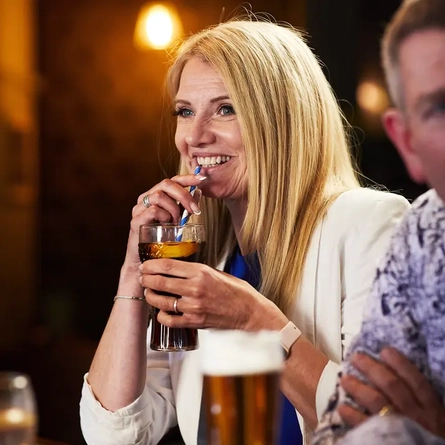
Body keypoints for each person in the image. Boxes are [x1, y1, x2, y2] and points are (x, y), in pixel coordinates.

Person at [79, 18, 409, 445]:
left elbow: (385, 426)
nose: (194, 137)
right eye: (185, 111)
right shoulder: (206, 259)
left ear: (282, 120)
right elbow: (113, 434)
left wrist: (254, 321)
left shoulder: (371, 224)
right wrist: (132, 273)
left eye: (225, 108)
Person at [313, 0, 445, 443]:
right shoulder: (421, 234)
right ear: (407, 142)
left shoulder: (374, 221)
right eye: (440, 108)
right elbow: (345, 424)